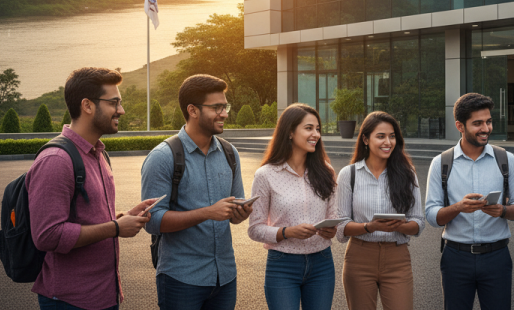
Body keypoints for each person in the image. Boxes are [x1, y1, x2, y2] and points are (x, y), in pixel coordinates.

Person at [26, 67, 157, 310]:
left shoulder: (98, 154)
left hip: (104, 295)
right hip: (69, 300)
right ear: (87, 105)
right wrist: (115, 228)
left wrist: (123, 217)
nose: (121, 110)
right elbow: (47, 235)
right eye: (114, 102)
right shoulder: (56, 160)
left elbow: (86, 218)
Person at [141, 74, 249, 310]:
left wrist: (239, 214)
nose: (224, 113)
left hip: (225, 276)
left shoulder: (231, 154)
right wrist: (207, 212)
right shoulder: (162, 157)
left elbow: (232, 211)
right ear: (193, 110)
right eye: (217, 107)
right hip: (181, 278)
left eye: (225, 106)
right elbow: (152, 221)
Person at [425, 92, 514, 310]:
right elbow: (432, 216)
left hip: (497, 258)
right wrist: (458, 208)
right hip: (455, 258)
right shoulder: (441, 163)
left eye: (489, 122)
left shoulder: (506, 160)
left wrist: (502, 211)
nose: (486, 128)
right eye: (477, 123)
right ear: (460, 126)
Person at [248, 103, 337, 310]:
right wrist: (287, 232)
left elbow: (335, 219)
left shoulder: (327, 172)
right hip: (282, 264)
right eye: (308, 128)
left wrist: (331, 229)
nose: (316, 134)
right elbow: (254, 229)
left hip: (322, 262)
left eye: (318, 129)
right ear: (289, 132)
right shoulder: (266, 175)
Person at [336, 111, 425, 310]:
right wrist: (369, 227)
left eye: (392, 136)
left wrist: (403, 226)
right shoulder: (348, 175)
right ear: (365, 139)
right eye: (381, 136)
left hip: (397, 258)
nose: (388, 142)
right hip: (359, 258)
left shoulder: (407, 174)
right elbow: (341, 226)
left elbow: (418, 221)